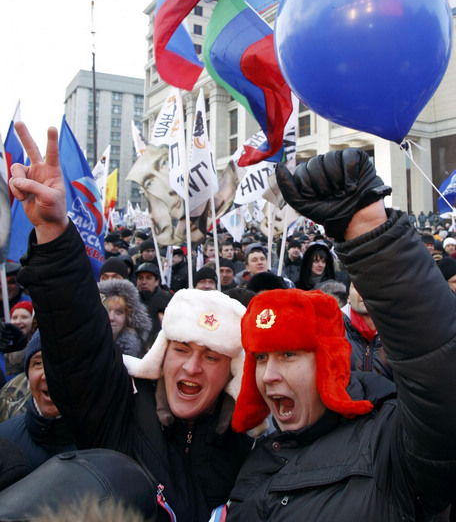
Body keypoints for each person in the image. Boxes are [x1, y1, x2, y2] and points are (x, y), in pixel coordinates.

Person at [7, 119, 253, 522]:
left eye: (211, 356)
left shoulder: (255, 446)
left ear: (231, 370)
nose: (191, 366)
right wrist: (54, 235)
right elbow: (78, 345)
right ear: (160, 353)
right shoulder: (121, 411)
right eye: (182, 349)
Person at [221, 148, 456, 521]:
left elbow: (443, 380)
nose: (269, 376)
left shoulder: (391, 443)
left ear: (329, 360)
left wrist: (370, 234)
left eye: (289, 354)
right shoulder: (253, 457)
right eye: (262, 357)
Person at [0, 332, 75, 470]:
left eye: (58, 362)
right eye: (38, 363)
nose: (47, 375)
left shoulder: (106, 437)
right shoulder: (4, 440)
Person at [98, 279, 152, 357]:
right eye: (107, 310)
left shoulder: (134, 357)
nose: (111, 317)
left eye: (119, 312)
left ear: (128, 318)